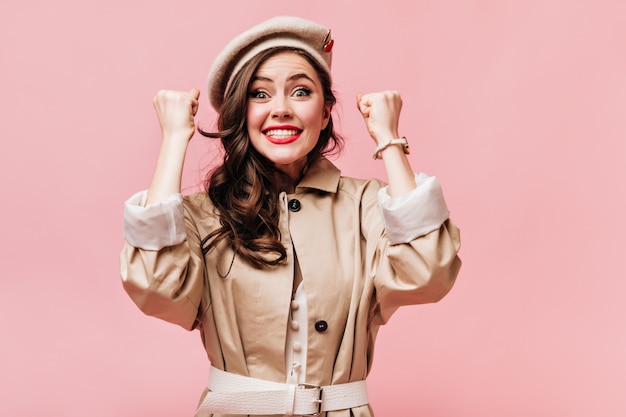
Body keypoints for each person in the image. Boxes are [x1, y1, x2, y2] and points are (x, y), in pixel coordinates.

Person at [120, 16, 461, 417]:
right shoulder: (202, 215)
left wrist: (389, 140)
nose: (281, 109)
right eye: (259, 94)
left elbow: (429, 272)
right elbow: (155, 287)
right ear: (239, 113)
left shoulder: (368, 204)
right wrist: (175, 139)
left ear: (327, 109)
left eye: (301, 91)